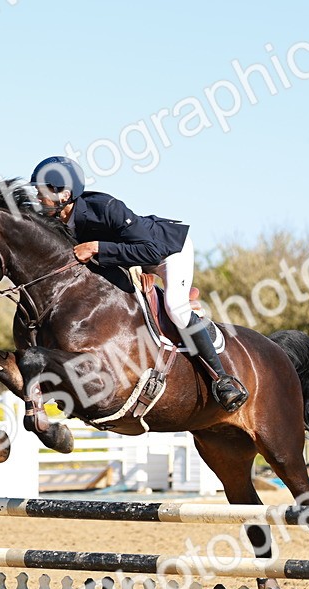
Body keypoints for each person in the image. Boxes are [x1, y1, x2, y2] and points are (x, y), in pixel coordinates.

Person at [29, 156, 248, 412]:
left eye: (41, 192)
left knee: (176, 308)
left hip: (167, 252)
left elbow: (151, 251)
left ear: (64, 194)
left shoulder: (105, 207)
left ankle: (221, 379)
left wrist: (98, 247)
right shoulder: (57, 223)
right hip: (133, 259)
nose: (37, 197)